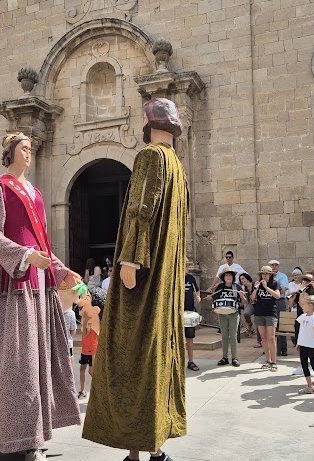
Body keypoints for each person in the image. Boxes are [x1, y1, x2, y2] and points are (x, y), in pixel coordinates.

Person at [83, 98, 189, 461]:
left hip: (143, 274)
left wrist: (129, 259)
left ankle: (137, 450)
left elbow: (141, 208)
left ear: (148, 122)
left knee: (129, 352)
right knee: (155, 353)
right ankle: (151, 447)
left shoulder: (151, 156)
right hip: (164, 276)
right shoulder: (177, 165)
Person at [0, 132, 80, 460]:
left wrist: (60, 270)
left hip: (40, 284)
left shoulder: (35, 192)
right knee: (20, 361)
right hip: (14, 282)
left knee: (41, 358)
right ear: (10, 152)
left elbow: (42, 242)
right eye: (23, 148)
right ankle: (20, 435)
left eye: (31, 148)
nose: (29, 153)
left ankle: (37, 433)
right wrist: (23, 255)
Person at [207, 270, 246, 367]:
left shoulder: (237, 287)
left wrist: (242, 297)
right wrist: (210, 298)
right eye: (226, 275)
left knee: (233, 336)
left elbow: (244, 303)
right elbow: (215, 299)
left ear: (233, 277)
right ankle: (224, 357)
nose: (228, 277)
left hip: (234, 313)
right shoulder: (220, 287)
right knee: (224, 336)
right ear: (223, 278)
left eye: (230, 275)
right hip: (222, 313)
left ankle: (234, 358)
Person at [77, 286, 105, 399]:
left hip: (91, 348)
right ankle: (83, 390)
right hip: (86, 348)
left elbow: (85, 333)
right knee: (83, 369)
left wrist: (85, 321)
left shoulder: (92, 316)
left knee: (91, 370)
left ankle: (100, 391)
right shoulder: (87, 315)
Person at [252, 266, 280, 371]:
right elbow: (252, 298)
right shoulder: (257, 284)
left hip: (270, 313)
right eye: (263, 274)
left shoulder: (275, 283)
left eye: (266, 274)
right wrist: (256, 288)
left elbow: (277, 296)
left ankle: (274, 362)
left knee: (271, 338)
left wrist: (266, 287)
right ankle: (268, 360)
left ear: (270, 275)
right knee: (263, 339)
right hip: (259, 313)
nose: (264, 275)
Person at [270, 260, 290, 356]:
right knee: (271, 325)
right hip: (270, 301)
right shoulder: (268, 276)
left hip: (280, 301)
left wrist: (273, 290)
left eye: (276, 265)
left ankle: (283, 349)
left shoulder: (282, 276)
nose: (274, 267)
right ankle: (273, 349)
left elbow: (283, 289)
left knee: (281, 325)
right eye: (272, 265)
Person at [184, 271, 201, 371]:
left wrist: (198, 297)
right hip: (176, 311)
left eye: (187, 266)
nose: (186, 268)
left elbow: (197, 290)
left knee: (190, 338)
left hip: (189, 311)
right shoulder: (175, 275)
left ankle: (191, 361)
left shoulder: (191, 278)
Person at [239, 272, 256, 338]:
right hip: (251, 304)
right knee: (246, 313)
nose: (242, 280)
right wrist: (245, 310)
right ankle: (249, 324)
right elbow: (246, 302)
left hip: (259, 304)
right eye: (240, 279)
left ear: (247, 278)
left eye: (243, 278)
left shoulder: (255, 284)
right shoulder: (244, 288)